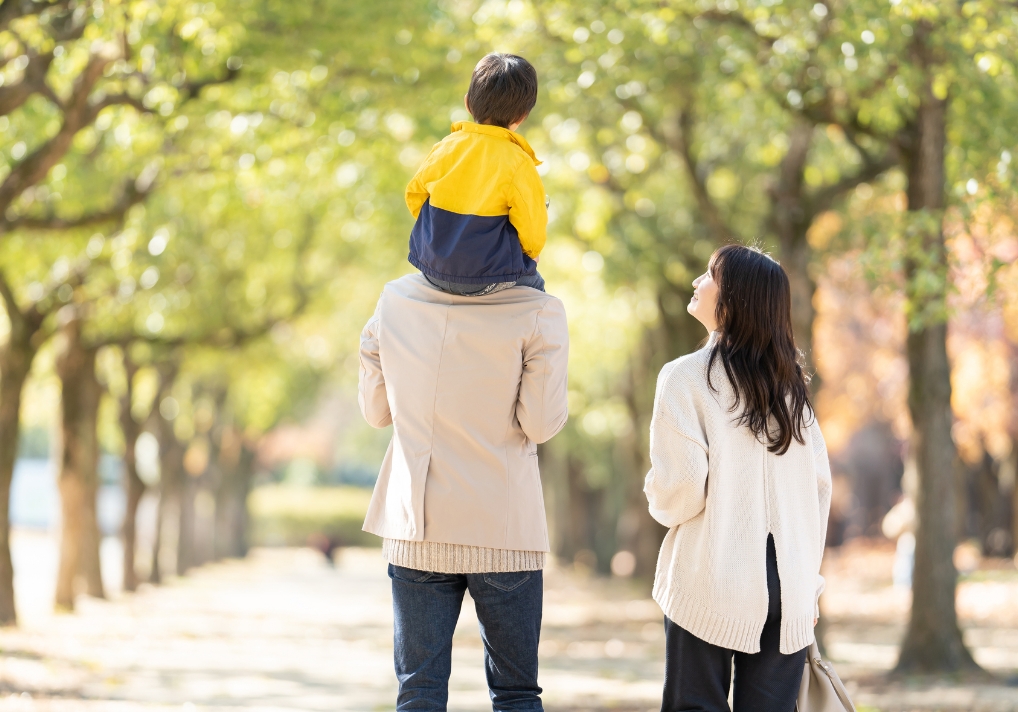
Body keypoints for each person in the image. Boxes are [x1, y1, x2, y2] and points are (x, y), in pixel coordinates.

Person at [358, 271, 569, 709]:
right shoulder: (538, 309)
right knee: (516, 693)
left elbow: (376, 412)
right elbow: (540, 424)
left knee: (419, 690)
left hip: (418, 527)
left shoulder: (395, 299)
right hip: (503, 531)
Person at [644, 244, 832, 712]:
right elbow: (819, 490)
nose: (696, 282)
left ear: (734, 298)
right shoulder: (792, 390)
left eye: (709, 275)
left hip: (711, 577)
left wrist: (654, 493)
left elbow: (681, 491)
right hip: (788, 587)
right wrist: (809, 583)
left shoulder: (685, 377)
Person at [405, 52, 547, 296]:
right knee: (537, 289)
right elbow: (532, 226)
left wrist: (440, 233)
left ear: (468, 103)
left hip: (431, 269)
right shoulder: (519, 162)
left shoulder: (445, 147)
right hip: (489, 279)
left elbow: (414, 196)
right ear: (522, 116)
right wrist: (531, 255)